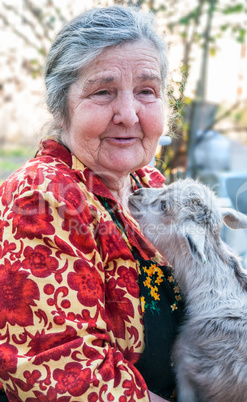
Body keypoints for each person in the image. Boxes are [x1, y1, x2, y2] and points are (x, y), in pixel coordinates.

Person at [0, 6, 184, 401]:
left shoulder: (146, 186)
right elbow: (62, 373)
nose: (129, 114)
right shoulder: (43, 195)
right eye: (103, 92)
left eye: (147, 91)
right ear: (60, 104)